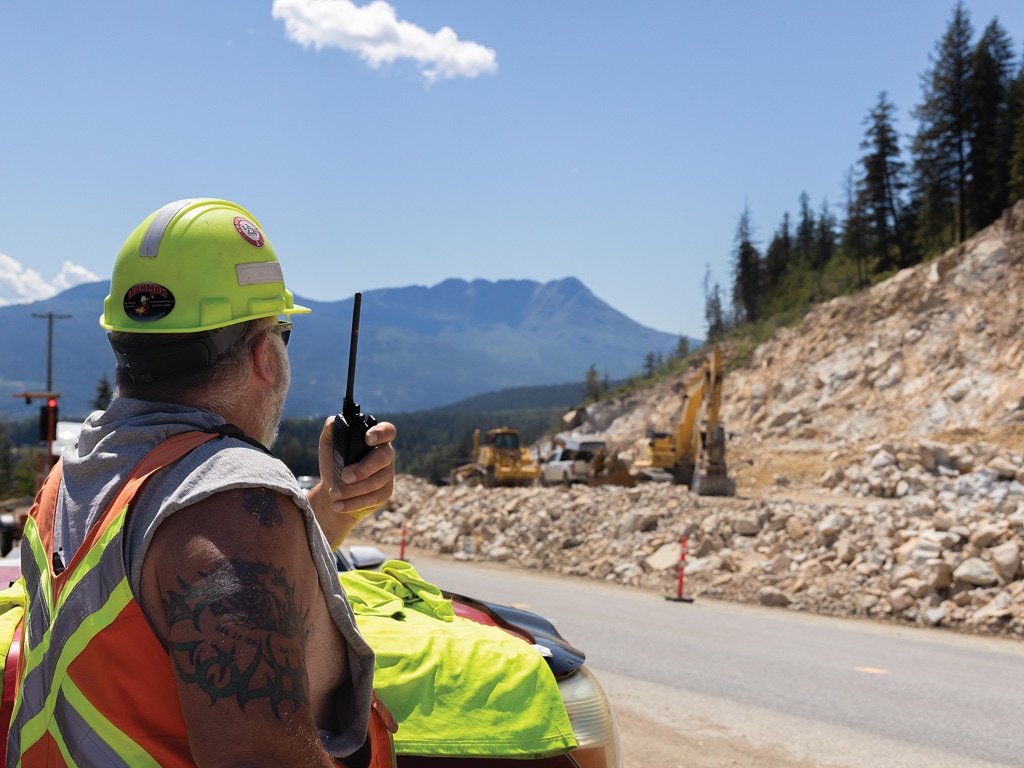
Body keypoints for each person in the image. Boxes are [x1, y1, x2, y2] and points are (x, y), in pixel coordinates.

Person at [7, 199, 397, 767]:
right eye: (282, 332)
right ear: (266, 353)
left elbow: (162, 582)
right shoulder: (231, 496)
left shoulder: (75, 473)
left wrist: (332, 509)